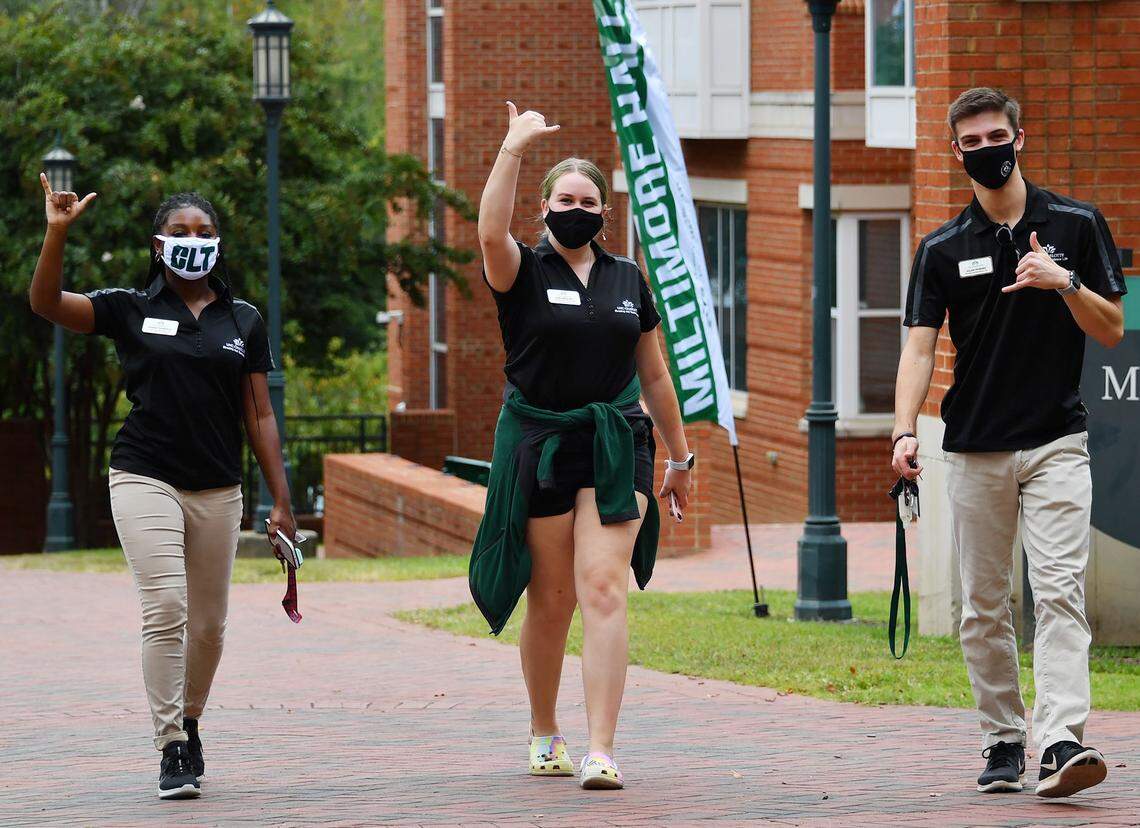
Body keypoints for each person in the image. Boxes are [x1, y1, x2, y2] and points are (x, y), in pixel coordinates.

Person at [29, 175, 297, 800]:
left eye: (204, 234)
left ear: (219, 245)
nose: (193, 243)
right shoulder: (129, 307)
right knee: (166, 609)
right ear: (158, 245)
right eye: (179, 234)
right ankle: (171, 744)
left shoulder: (244, 320)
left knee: (209, 627)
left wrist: (281, 500)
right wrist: (56, 233)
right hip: (144, 474)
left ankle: (192, 720)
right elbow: (46, 304)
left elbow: (259, 415)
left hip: (218, 489)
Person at [892, 88, 1126, 798]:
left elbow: (1112, 327)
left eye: (998, 134)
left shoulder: (1078, 224)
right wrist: (904, 429)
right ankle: (1002, 737)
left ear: (1020, 139)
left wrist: (1064, 282)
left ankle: (1060, 738)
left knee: (1059, 592)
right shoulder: (940, 248)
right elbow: (917, 348)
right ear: (955, 152)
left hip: (1057, 439)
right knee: (984, 605)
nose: (988, 148)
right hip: (972, 447)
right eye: (973, 140)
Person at [469, 102, 693, 791]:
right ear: (544, 208)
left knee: (603, 588)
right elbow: (488, 230)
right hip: (540, 442)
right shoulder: (520, 270)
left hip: (614, 440)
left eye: (588, 200)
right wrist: (514, 145)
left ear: (604, 210)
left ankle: (602, 748)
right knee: (555, 598)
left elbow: (653, 373)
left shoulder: (629, 279)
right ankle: (544, 729)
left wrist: (680, 458)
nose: (577, 208)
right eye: (564, 199)